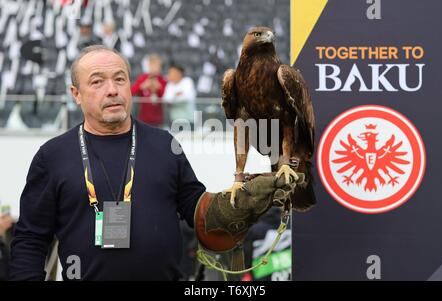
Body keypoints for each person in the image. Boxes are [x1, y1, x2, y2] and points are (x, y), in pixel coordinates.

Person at [9, 45, 302, 281]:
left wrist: (237, 205)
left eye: (120, 79)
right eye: (97, 82)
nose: (112, 90)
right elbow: (31, 239)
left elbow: (197, 212)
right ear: (76, 94)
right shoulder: (52, 156)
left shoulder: (165, 145)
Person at [131, 54, 167, 127]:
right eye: (154, 66)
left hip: (158, 119)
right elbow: (131, 92)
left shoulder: (162, 80)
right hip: (144, 118)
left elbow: (167, 97)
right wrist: (142, 87)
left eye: (158, 66)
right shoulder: (143, 78)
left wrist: (159, 88)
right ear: (149, 66)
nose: (157, 68)